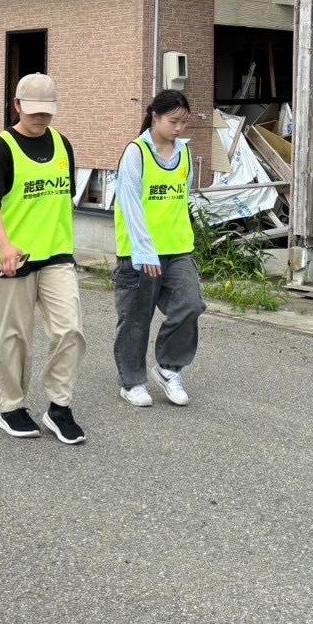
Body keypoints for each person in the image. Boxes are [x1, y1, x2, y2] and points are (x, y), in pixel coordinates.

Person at [0, 73, 86, 444]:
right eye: (33, 110)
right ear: (17, 105)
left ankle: (59, 407)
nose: (40, 117)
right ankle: (10, 407)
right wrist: (5, 246)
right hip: (15, 259)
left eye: (47, 111)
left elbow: (63, 198)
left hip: (57, 254)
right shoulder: (3, 146)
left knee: (70, 330)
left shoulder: (62, 144)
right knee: (14, 336)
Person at [112, 89, 205, 408]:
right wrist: (143, 249)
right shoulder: (136, 152)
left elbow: (184, 196)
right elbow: (129, 203)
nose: (179, 128)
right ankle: (132, 382)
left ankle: (168, 368)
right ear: (155, 116)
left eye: (184, 122)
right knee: (136, 318)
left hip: (177, 248)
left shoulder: (185, 152)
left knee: (190, 304)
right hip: (139, 252)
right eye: (173, 121)